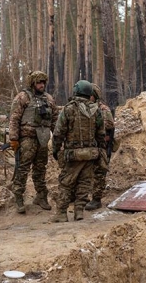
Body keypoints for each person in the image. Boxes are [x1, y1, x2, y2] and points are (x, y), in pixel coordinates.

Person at [50, 80, 105, 222]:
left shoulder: (68, 109)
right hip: (91, 154)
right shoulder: (96, 110)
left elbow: (58, 133)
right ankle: (79, 211)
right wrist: (100, 150)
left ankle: (62, 213)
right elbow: (101, 134)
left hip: (73, 154)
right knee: (84, 183)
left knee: (66, 183)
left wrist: (56, 150)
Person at [8, 71, 58, 213]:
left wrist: (58, 137)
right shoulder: (23, 98)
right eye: (38, 82)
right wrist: (13, 139)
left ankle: (41, 196)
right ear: (32, 83)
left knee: (40, 168)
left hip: (42, 139)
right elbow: (14, 119)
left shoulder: (48, 99)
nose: (42, 85)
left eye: (43, 82)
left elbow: (55, 119)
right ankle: (18, 196)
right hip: (27, 139)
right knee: (23, 168)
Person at [86, 83, 115, 211]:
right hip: (87, 146)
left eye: (90, 95)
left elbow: (109, 126)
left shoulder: (103, 109)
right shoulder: (83, 108)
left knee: (99, 173)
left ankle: (96, 199)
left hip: (100, 146)